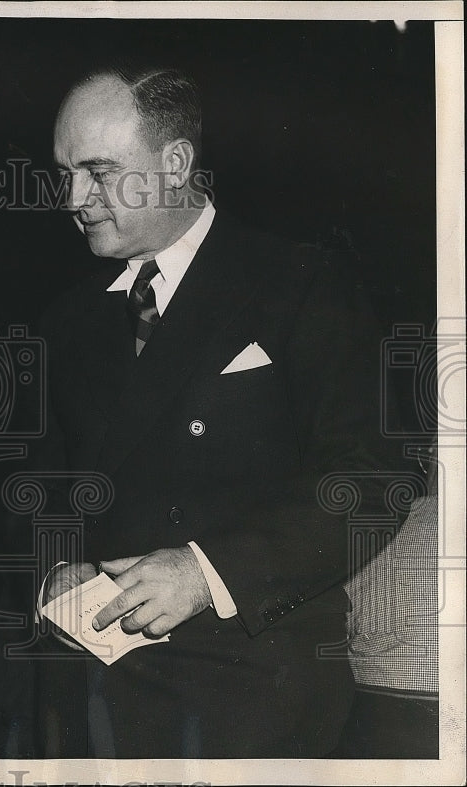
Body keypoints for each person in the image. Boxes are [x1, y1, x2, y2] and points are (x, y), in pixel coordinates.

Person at [37, 65, 406, 757]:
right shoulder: (69, 319)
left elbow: (374, 479)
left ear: (175, 162)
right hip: (91, 684)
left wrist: (205, 573)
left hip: (250, 681)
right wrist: (55, 567)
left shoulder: (302, 281)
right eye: (65, 173)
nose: (73, 197)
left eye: (97, 171)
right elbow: (43, 485)